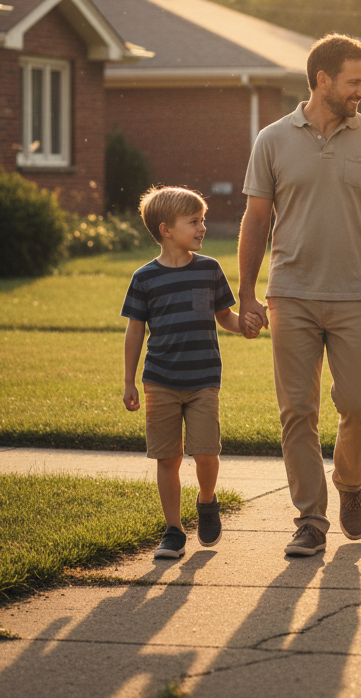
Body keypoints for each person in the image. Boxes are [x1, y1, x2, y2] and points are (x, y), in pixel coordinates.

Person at [237, 33, 361, 558]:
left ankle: (349, 481)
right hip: (290, 293)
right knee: (297, 410)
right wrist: (247, 294)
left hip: (356, 294)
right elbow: (255, 220)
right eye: (354, 81)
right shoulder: (272, 139)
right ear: (322, 80)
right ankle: (310, 521)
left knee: (359, 404)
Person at [122, 186, 257, 560]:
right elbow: (135, 330)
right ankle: (173, 530)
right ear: (166, 229)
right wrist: (130, 380)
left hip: (203, 380)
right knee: (168, 458)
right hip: (160, 380)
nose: (202, 228)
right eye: (194, 222)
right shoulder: (144, 278)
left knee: (207, 453)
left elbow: (224, 316)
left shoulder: (209, 269)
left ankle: (207, 500)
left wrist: (244, 325)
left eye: (203, 221)